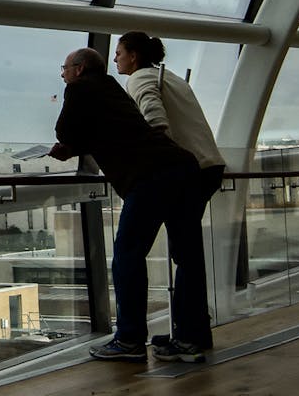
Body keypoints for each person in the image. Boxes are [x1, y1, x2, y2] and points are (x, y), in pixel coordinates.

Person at [50, 48, 206, 363]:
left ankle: (130, 340)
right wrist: (77, 146)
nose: (62, 73)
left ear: (79, 69)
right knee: (187, 258)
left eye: (64, 68)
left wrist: (67, 144)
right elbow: (111, 129)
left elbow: (65, 130)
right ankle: (191, 338)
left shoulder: (79, 88)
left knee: (127, 257)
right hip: (183, 169)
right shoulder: (111, 88)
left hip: (150, 178)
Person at [114, 31, 226, 354]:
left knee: (149, 250)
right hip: (207, 166)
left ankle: (183, 334)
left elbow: (155, 121)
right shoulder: (172, 78)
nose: (116, 59)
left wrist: (156, 162)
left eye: (119, 52)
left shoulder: (138, 80)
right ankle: (192, 332)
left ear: (133, 56)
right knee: (188, 253)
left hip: (186, 169)